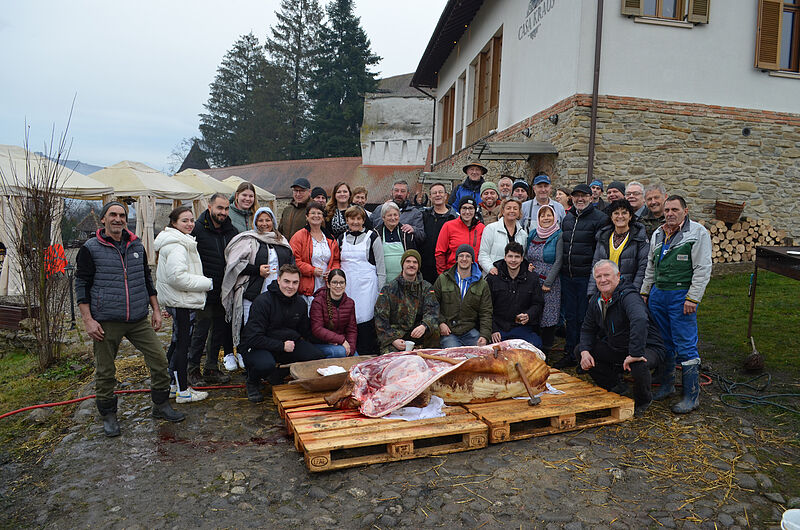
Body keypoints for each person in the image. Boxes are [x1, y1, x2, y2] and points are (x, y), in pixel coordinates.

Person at [75, 202, 184, 437]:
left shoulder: (136, 245)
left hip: (137, 318)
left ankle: (161, 405)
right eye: (112, 215)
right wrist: (88, 320)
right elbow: (81, 284)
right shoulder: (91, 248)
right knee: (105, 371)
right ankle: (108, 414)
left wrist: (155, 310)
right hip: (106, 320)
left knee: (159, 360)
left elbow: (146, 279)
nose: (118, 219)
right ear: (103, 219)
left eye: (122, 215)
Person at [641, 195, 712, 414]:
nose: (670, 213)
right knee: (664, 341)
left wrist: (693, 298)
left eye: (675, 209)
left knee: (685, 343)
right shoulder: (658, 233)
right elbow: (651, 266)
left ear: (685, 210)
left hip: (681, 295)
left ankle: (691, 395)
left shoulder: (697, 233)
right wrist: (645, 291)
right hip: (659, 294)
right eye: (667, 209)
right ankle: (667, 385)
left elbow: (702, 268)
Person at [578, 260, 665, 417]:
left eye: (607, 275)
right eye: (599, 276)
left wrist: (635, 353)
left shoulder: (628, 296)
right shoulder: (596, 300)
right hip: (618, 347)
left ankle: (643, 400)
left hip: (647, 346)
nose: (603, 280)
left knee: (639, 364)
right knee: (581, 350)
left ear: (618, 276)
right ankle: (615, 385)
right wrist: (585, 351)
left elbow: (640, 320)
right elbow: (587, 328)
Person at [239, 264, 325, 402]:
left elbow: (306, 331)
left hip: (287, 345)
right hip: (258, 346)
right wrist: (281, 346)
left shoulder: (300, 303)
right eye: (286, 281)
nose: (290, 286)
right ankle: (252, 381)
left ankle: (277, 374)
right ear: (278, 280)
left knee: (316, 356)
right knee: (265, 364)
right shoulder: (263, 302)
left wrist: (332, 338)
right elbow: (253, 338)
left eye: (295, 282)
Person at [221, 206, 293, 368]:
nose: (264, 223)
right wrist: (257, 270)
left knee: (271, 325)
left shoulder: (281, 240)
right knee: (250, 325)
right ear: (255, 222)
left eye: (267, 220)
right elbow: (234, 263)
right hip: (254, 291)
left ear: (273, 222)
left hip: (276, 292)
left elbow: (290, 261)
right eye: (260, 220)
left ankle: (267, 354)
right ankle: (245, 353)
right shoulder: (248, 239)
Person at [153, 206, 213, 404]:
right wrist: (206, 283)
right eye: (184, 221)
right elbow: (177, 277)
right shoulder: (177, 245)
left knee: (178, 342)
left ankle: (173, 385)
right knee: (183, 346)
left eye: (191, 220)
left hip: (179, 301)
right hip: (182, 302)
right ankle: (183, 390)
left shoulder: (177, 242)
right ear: (174, 223)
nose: (189, 224)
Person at [554, 183, 608, 369]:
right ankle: (570, 353)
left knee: (586, 318)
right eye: (576, 196)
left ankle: (584, 356)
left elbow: (600, 251)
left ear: (591, 197)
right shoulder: (568, 219)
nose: (580, 199)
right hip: (568, 276)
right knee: (570, 316)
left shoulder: (600, 219)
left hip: (587, 277)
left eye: (583, 196)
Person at [188, 193, 238, 386]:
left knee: (218, 330)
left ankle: (211, 368)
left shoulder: (230, 231)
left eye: (226, 209)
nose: (223, 212)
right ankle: (192, 370)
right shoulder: (197, 229)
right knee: (199, 331)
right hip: (203, 289)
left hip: (223, 289)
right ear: (210, 207)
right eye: (219, 208)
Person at [337, 205, 385, 355]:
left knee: (365, 322)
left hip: (367, 287)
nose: (355, 222)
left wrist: (381, 291)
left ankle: (366, 355)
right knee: (348, 321)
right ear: (347, 220)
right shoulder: (341, 238)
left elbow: (381, 266)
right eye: (352, 218)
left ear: (364, 220)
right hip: (347, 287)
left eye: (359, 218)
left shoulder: (372, 237)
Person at [374, 250, 440, 354]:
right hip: (396, 336)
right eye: (408, 261)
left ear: (418, 266)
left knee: (434, 329)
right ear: (402, 265)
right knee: (394, 361)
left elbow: (433, 311)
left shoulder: (427, 287)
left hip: (418, 333)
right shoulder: (389, 288)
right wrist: (393, 339)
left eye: (415, 262)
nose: (411, 265)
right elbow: (380, 319)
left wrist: (424, 326)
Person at [486, 242, 544, 347]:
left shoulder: (532, 278)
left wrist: (529, 315)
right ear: (505, 257)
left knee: (535, 347)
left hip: (522, 328)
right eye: (510, 256)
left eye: (517, 257)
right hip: (499, 329)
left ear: (522, 258)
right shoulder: (493, 278)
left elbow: (538, 303)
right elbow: (486, 308)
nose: (513, 260)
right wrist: (493, 329)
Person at [433, 244, 492, 347]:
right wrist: (441, 323)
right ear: (456, 259)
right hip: (448, 332)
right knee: (454, 357)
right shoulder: (443, 279)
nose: (464, 259)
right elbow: (433, 304)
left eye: (468, 256)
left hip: (470, 331)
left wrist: (484, 335)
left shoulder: (482, 284)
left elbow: (486, 312)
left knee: (483, 354)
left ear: (472, 260)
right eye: (461, 256)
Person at [588, 199, 649, 298]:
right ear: (611, 217)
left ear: (630, 216)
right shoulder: (603, 237)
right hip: (605, 290)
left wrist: (634, 294)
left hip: (627, 292)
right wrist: (591, 293)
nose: (620, 216)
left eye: (624, 213)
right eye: (616, 213)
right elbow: (595, 265)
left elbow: (642, 268)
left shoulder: (639, 237)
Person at [525, 205, 563, 356]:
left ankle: (546, 351)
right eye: (542, 215)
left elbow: (559, 260)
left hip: (550, 282)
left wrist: (548, 283)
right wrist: (528, 265)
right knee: (534, 312)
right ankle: (534, 349)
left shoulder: (559, 235)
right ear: (538, 219)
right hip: (533, 281)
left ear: (554, 218)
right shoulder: (533, 233)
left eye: (549, 215)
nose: (546, 218)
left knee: (548, 316)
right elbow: (527, 254)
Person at [290, 203, 341, 307]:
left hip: (326, 285)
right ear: (307, 217)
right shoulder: (299, 236)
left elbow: (336, 260)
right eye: (312, 213)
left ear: (323, 217)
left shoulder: (330, 238)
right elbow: (295, 261)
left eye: (319, 213)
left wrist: (332, 272)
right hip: (307, 286)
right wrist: (312, 270)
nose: (316, 215)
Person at [310, 269, 358, 358]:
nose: (338, 286)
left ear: (345, 284)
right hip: (322, 343)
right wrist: (341, 340)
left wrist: (350, 348)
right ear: (328, 284)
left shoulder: (350, 303)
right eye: (334, 282)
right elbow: (317, 329)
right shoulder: (318, 302)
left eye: (341, 282)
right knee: (340, 352)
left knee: (355, 358)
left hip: (342, 344)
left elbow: (352, 329)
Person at [435, 197, 485, 275]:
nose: (467, 212)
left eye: (471, 208)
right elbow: (440, 252)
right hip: (452, 273)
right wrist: (443, 274)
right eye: (464, 208)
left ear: (475, 210)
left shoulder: (481, 227)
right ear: (459, 210)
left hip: (474, 274)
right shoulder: (449, 226)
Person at [420, 183, 458, 284]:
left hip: (446, 268)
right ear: (430, 196)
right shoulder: (423, 216)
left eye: (440, 192)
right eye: (434, 193)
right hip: (424, 268)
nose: (438, 195)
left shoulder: (454, 218)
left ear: (446, 196)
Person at [478, 198, 527, 275]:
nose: (512, 211)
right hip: (494, 276)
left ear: (519, 212)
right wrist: (490, 268)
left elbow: (522, 257)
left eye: (515, 208)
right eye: (508, 208)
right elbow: (483, 254)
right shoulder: (491, 229)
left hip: (514, 278)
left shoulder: (523, 234)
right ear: (503, 211)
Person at [377, 201, 417, 284]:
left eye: (395, 215)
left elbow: (413, 255)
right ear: (383, 217)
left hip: (404, 279)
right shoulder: (376, 234)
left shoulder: (406, 233)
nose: (393, 218)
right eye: (389, 215)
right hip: (383, 279)